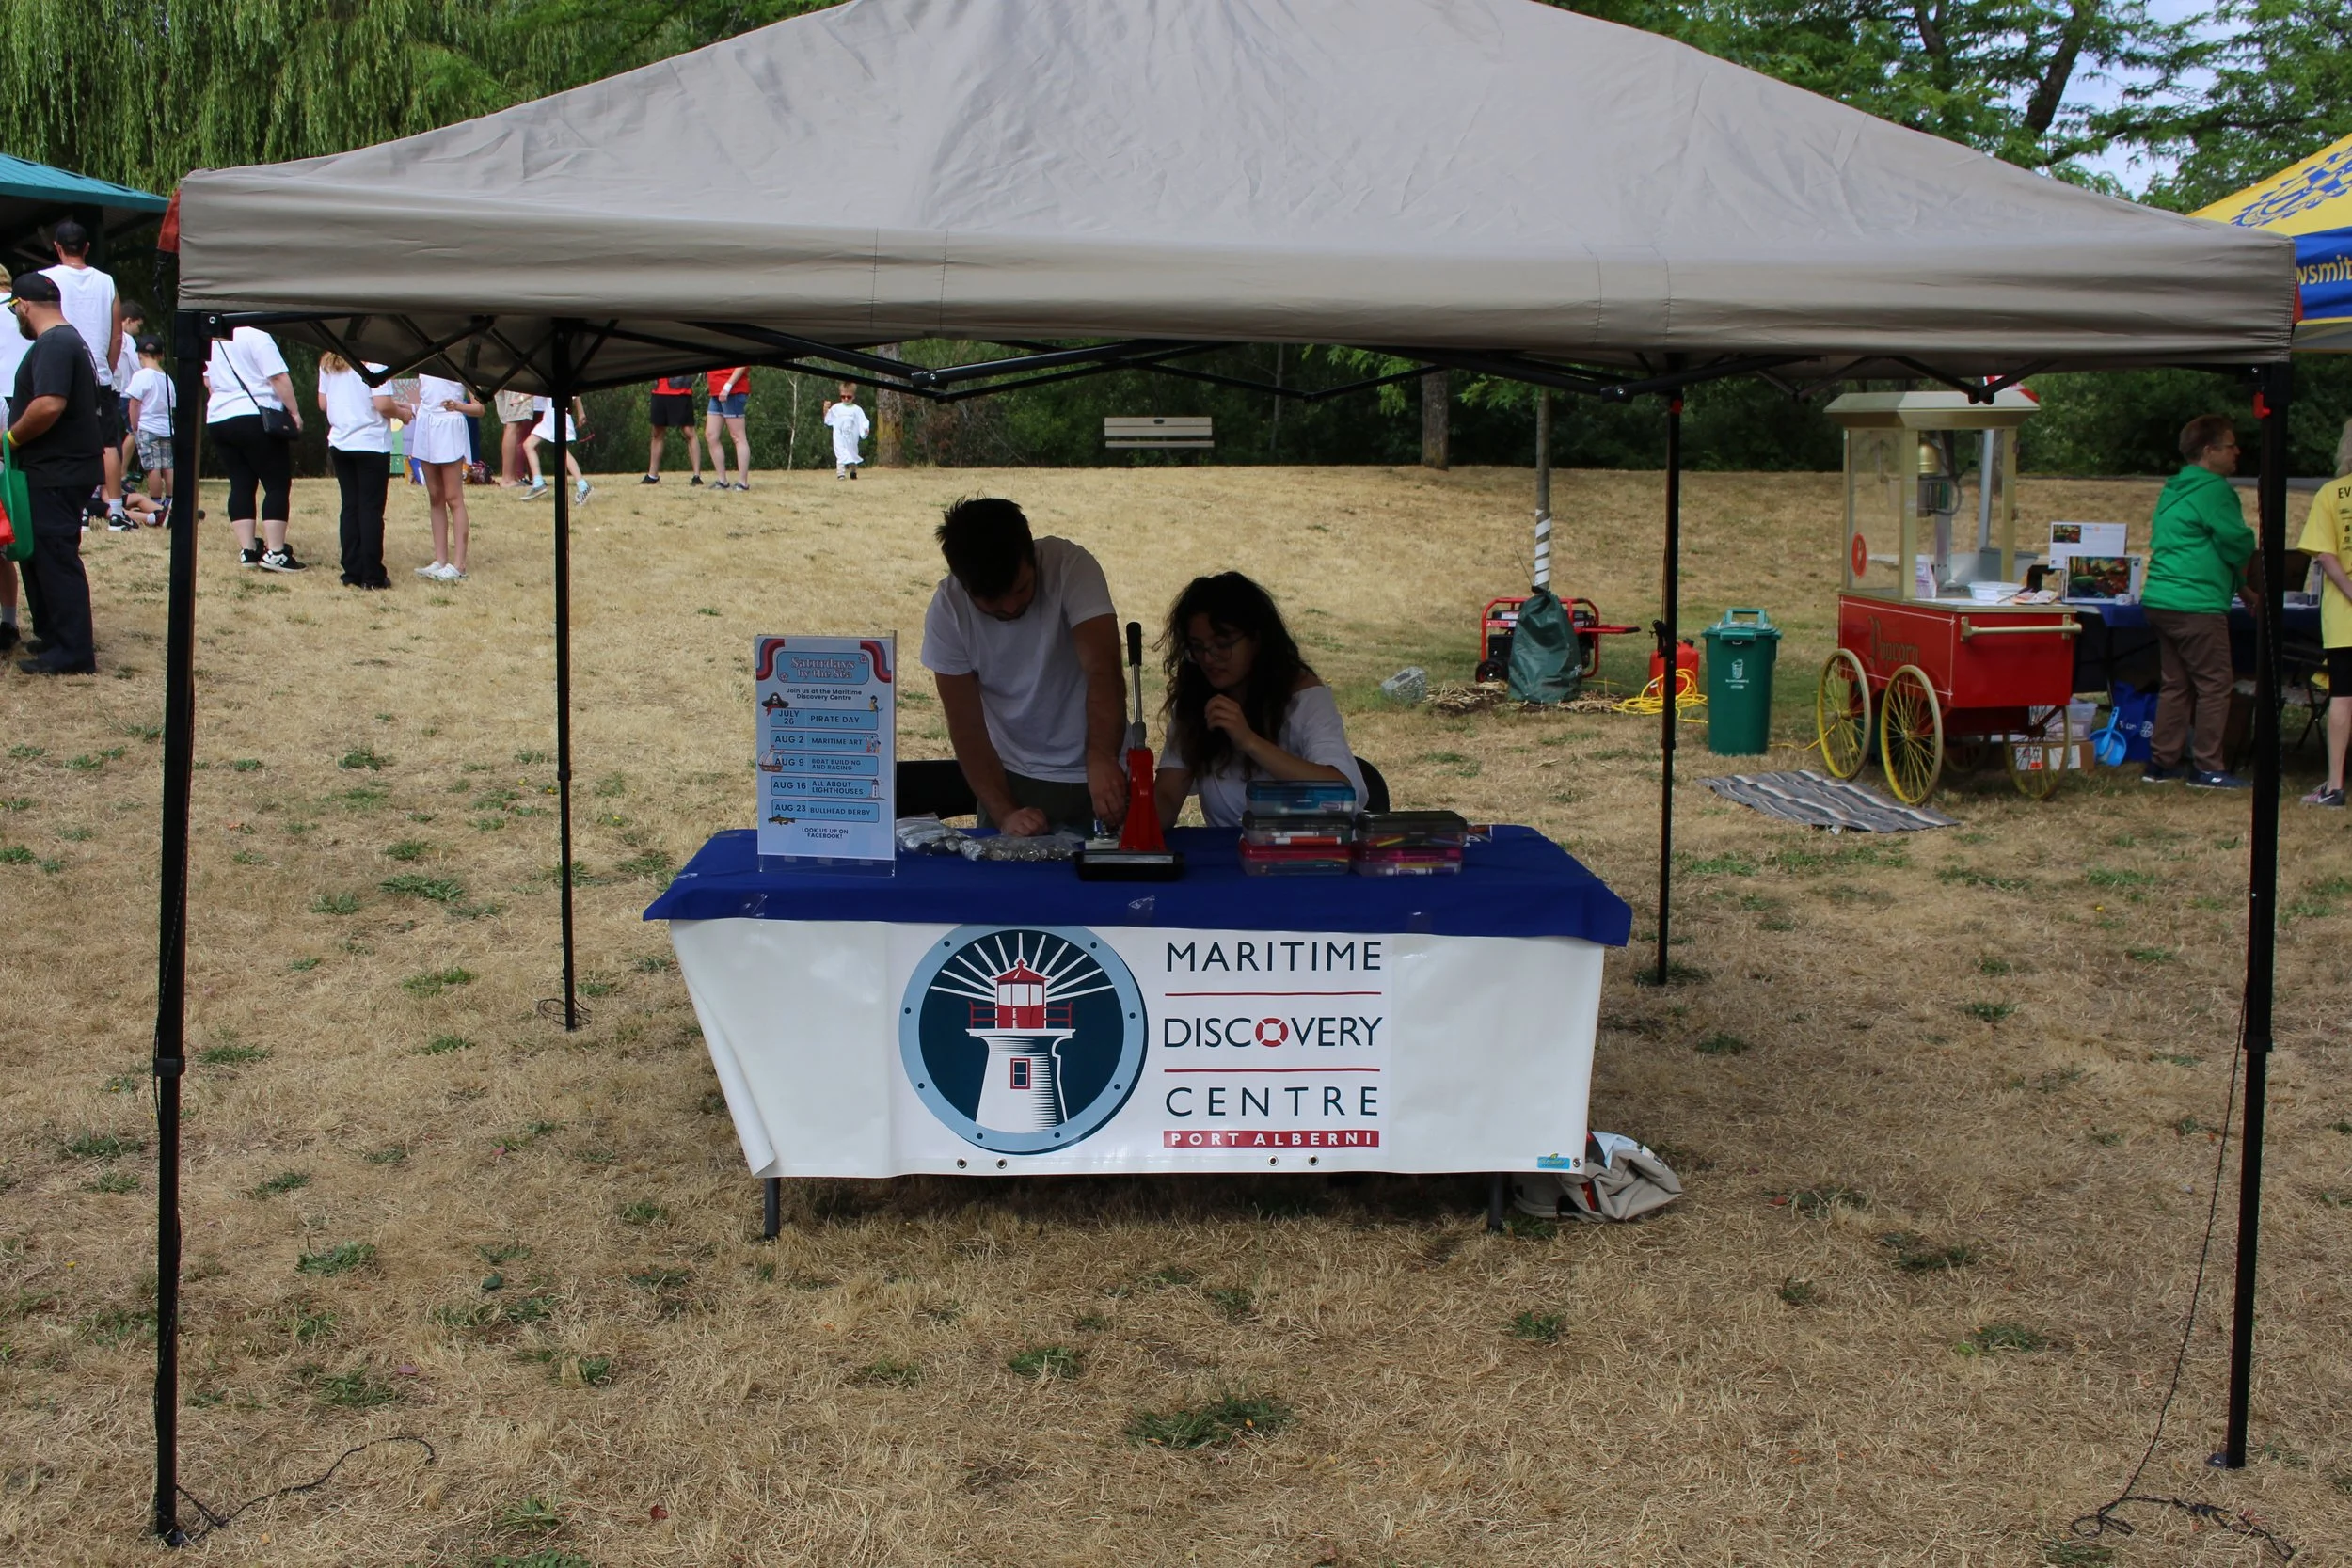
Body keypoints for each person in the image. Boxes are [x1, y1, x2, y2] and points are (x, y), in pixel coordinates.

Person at [921, 497, 1126, 834]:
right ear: (964, 584)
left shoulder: (1071, 566)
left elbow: (1102, 671)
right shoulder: (948, 611)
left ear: (1031, 555)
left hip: (1101, 770)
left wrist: (1102, 756)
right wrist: (1005, 814)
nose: (1012, 605)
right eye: (992, 602)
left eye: (1021, 588)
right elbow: (967, 729)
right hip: (1011, 777)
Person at [1152, 573, 1364, 829]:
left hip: (1306, 853)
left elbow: (1341, 789)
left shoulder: (1304, 698)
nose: (1209, 658)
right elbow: (1166, 797)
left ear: (1257, 639)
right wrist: (1131, 809)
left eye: (1223, 644)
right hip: (1226, 857)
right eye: (1197, 647)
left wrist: (1249, 741)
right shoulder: (1195, 702)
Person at [2140, 415, 2255, 789]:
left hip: (2161, 597)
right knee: (2215, 683)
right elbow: (2236, 542)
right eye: (2230, 445)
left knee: (2176, 683)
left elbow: (2205, 547)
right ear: (2209, 451)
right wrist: (2246, 568)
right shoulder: (2216, 491)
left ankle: (2162, 763)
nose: (2237, 451)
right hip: (2197, 604)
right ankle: (2208, 766)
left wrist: (2240, 588)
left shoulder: (2174, 489)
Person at [5, 273, 103, 674]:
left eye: (15, 310)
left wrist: (10, 438)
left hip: (58, 470)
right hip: (59, 468)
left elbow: (48, 405)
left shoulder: (55, 344)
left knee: (55, 555)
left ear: (24, 305)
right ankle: (54, 633)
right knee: (41, 555)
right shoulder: (69, 340)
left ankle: (74, 650)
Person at [40, 220, 125, 527]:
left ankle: (79, 511)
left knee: (62, 441)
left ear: (57, 247)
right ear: (87, 247)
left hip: (59, 370)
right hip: (97, 373)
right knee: (106, 443)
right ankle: (116, 510)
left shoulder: (45, 280)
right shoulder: (106, 282)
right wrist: (109, 368)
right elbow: (117, 334)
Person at [204, 325, 305, 571]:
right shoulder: (256, 335)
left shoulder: (213, 338)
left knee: (240, 483)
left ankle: (248, 549)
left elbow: (207, 380)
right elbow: (277, 377)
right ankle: (276, 552)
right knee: (276, 483)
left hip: (219, 415)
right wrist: (294, 412)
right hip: (255, 415)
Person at [318, 353, 411, 589]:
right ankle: (372, 575)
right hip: (370, 442)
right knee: (370, 508)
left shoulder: (328, 361)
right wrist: (401, 413)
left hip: (341, 440)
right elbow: (382, 404)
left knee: (350, 506)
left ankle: (351, 570)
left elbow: (323, 403)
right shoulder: (374, 361)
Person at [2297, 440, 2352, 809]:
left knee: (2343, 695)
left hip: (2345, 614)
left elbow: (2325, 554)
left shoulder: (2332, 494)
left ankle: (2334, 785)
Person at [410, 371, 480, 581]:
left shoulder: (460, 365)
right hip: (426, 425)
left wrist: (458, 406)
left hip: (449, 425)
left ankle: (459, 565)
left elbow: (479, 408)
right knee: (435, 496)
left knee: (453, 497)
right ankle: (440, 560)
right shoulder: (426, 363)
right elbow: (423, 396)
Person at [121, 336, 173, 528]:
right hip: (166, 428)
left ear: (140, 355)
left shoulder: (141, 376)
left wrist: (134, 426)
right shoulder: (167, 379)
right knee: (168, 465)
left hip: (147, 426)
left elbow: (134, 402)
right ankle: (171, 499)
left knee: (153, 467)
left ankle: (156, 503)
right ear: (161, 355)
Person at [521, 394, 590, 504]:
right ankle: (538, 483)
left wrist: (520, 399)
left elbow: (538, 388)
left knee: (563, 452)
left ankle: (583, 486)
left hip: (559, 417)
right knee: (528, 445)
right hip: (549, 418)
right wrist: (581, 412)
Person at [644, 374, 705, 484]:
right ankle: (652, 475)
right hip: (658, 391)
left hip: (680, 391)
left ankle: (697, 476)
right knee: (657, 433)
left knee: (689, 432)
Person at [704, 366, 751, 491]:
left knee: (737, 436)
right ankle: (722, 481)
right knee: (711, 435)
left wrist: (728, 385)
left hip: (733, 391)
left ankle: (743, 483)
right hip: (716, 391)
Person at [114, 304, 145, 484]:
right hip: (126, 392)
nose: (138, 330)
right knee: (134, 431)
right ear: (128, 321)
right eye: (138, 326)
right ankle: (122, 471)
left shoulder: (113, 335)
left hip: (115, 389)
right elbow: (138, 365)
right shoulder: (127, 338)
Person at [825, 382, 871, 479]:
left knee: (852, 454)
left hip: (851, 438)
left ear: (853, 397)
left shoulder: (857, 410)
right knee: (840, 453)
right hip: (839, 437)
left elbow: (863, 421)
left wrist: (865, 430)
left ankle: (853, 471)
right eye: (843, 396)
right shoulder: (836, 408)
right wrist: (825, 409)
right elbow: (828, 420)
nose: (846, 399)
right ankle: (840, 473)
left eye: (849, 397)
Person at [493, 389, 537, 486]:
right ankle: (507, 479)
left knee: (510, 423)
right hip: (515, 379)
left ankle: (512, 477)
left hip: (500, 378)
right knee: (513, 423)